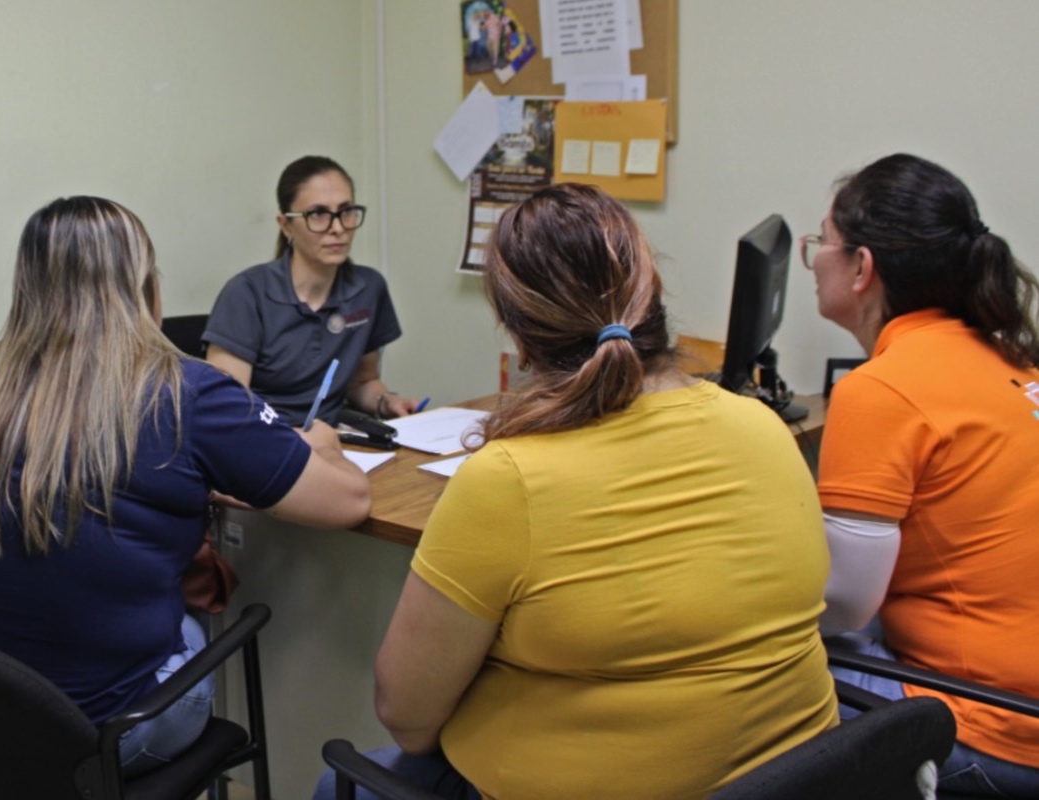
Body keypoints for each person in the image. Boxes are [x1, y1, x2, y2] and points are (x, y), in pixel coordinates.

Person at [315, 184, 838, 800]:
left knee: (338, 782)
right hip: (800, 777)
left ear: (522, 341)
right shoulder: (764, 428)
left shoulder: (508, 480)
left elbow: (406, 716)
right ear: (654, 298)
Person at [0, 196, 371, 777]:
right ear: (145, 288)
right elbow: (349, 502)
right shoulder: (186, 391)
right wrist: (325, 447)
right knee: (197, 601)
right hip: (97, 735)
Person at [807, 153, 1039, 797]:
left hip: (992, 727)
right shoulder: (1010, 358)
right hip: (1023, 692)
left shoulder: (883, 389)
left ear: (862, 268)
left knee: (756, 662)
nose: (815, 259)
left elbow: (843, 604)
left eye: (821, 241)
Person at [203, 156, 419, 426]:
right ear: (286, 225)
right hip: (263, 446)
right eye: (318, 214)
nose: (338, 228)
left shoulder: (369, 288)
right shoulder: (246, 294)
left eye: (346, 211)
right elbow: (228, 411)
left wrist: (386, 402)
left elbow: (363, 382)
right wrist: (294, 445)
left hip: (334, 441)